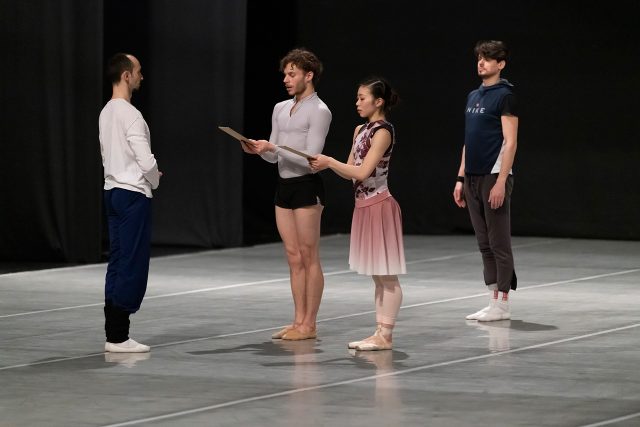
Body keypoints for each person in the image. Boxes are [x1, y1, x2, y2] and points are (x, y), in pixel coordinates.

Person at [309, 77, 405, 351]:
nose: (357, 103)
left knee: (387, 275)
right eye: (357, 98)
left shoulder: (383, 131)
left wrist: (329, 162)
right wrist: (326, 164)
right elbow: (350, 171)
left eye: (363, 98)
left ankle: (386, 335)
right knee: (377, 275)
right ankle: (379, 332)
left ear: (379, 101)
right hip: (363, 206)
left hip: (380, 205)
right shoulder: (359, 130)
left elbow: (363, 172)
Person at [243, 48, 332, 340]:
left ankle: (310, 324)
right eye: (285, 74)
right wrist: (260, 150)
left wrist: (274, 148)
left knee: (309, 255)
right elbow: (274, 157)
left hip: (306, 186)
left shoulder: (319, 110)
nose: (286, 79)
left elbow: (311, 158)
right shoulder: (280, 108)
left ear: (309, 75)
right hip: (284, 187)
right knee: (293, 256)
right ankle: (297, 321)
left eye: (292, 74)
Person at [453, 40, 519, 322]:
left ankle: (503, 303)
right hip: (471, 176)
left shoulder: (505, 96)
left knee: (498, 242)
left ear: (500, 64)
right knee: (483, 242)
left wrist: (501, 181)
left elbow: (510, 141)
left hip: (493, 175)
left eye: (488, 58)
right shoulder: (472, 96)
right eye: (479, 57)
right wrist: (460, 177)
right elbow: (468, 141)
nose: (481, 62)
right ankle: (492, 299)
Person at [99, 53, 161, 352]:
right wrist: (154, 178)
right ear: (126, 75)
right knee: (132, 262)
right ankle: (119, 336)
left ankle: (114, 334)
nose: (141, 76)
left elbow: (109, 155)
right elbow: (145, 160)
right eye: (138, 71)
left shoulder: (106, 112)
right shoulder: (131, 114)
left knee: (118, 260)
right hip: (132, 194)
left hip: (112, 190)